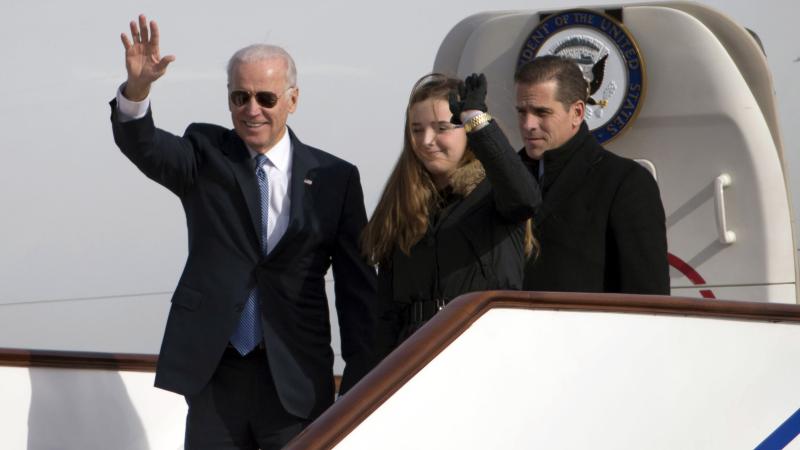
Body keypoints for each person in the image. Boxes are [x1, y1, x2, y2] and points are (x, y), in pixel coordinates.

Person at [110, 15, 377, 449]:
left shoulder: (335, 178)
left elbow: (357, 290)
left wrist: (362, 382)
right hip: (216, 373)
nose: (252, 110)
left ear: (293, 99)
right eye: (240, 97)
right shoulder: (205, 153)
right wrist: (137, 91)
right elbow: (145, 146)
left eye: (266, 98)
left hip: (296, 379)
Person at [363, 73, 541, 357]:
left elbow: (526, 199)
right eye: (417, 129)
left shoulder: (496, 191)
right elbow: (385, 314)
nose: (427, 140)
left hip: (485, 348)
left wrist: (477, 119)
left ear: (467, 131)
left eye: (442, 127)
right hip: (414, 355)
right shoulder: (401, 203)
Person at [514, 55, 669, 294]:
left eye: (541, 113)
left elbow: (648, 297)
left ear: (577, 112)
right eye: (522, 112)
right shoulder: (501, 179)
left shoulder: (624, 182)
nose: (528, 124)